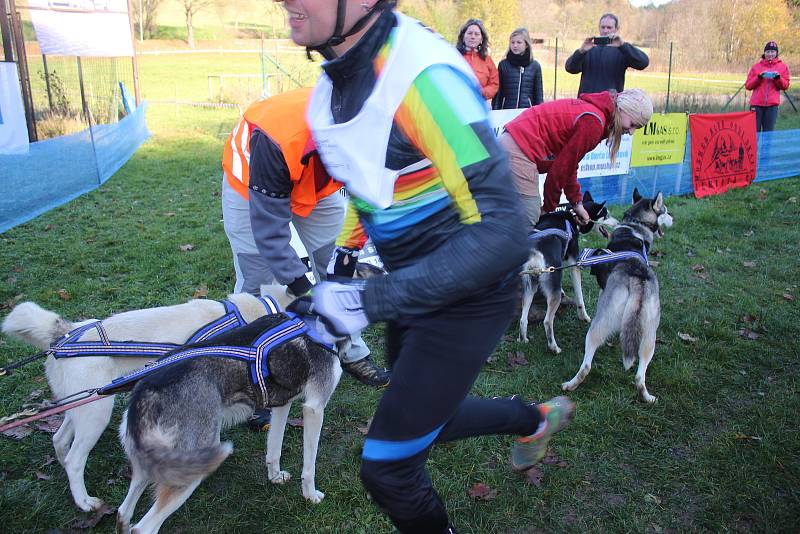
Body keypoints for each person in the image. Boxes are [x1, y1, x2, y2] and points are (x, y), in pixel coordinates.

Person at [277, 1, 575, 532]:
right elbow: (372, 191)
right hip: (416, 286)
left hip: (473, 291)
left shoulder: (423, 81)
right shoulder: (331, 90)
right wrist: (343, 270)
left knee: (388, 468)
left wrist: (369, 300)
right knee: (425, 423)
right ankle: (534, 417)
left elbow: (504, 231)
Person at [221, 87, 391, 411]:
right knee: (259, 283)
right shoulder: (279, 139)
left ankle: (347, 347)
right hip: (252, 183)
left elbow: (366, 202)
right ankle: (246, 377)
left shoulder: (371, 133)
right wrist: (301, 285)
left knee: (332, 263)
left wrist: (346, 258)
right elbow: (269, 231)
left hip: (312, 178)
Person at [499, 89, 653, 229]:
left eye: (636, 128)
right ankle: (500, 256)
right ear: (622, 109)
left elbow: (569, 165)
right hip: (519, 148)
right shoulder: (594, 123)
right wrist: (548, 207)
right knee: (529, 216)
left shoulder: (597, 117)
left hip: (513, 142)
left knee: (512, 212)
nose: (631, 132)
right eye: (633, 124)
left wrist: (576, 203)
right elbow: (559, 170)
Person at [565, 13, 649, 96]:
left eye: (609, 27)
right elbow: (570, 68)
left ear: (616, 29)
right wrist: (581, 51)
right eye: (603, 27)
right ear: (599, 28)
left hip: (609, 104)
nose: (605, 31)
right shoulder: (589, 49)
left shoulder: (622, 50)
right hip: (586, 104)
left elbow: (643, 63)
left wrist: (623, 46)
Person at [745, 41, 791, 133]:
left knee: (768, 134)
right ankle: (755, 148)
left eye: (772, 52)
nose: (770, 54)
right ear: (764, 53)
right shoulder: (756, 67)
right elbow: (748, 85)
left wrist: (778, 78)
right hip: (756, 105)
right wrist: (759, 77)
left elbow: (785, 86)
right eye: (768, 52)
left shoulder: (783, 67)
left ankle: (766, 148)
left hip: (772, 106)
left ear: (776, 53)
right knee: (754, 133)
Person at [492, 27, 543, 110]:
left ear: (526, 44)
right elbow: (498, 93)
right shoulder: (503, 65)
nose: (515, 45)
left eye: (519, 42)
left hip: (527, 113)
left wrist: (539, 114)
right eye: (512, 42)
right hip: (506, 111)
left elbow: (538, 95)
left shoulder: (535, 66)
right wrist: (495, 111)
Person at [456, 18, 499, 102]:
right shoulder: (455, 56)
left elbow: (494, 84)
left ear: (481, 38)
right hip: (457, 104)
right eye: (469, 33)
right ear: (463, 36)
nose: (473, 37)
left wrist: (481, 92)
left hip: (480, 105)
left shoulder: (487, 59)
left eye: (476, 34)